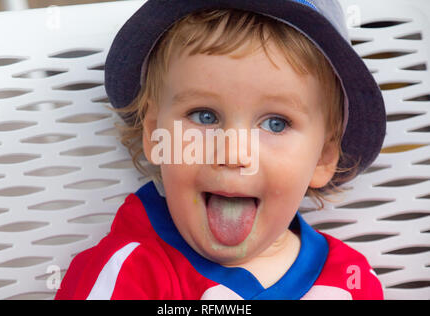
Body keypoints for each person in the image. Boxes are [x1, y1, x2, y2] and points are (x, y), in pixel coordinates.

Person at [55, 0, 386, 300]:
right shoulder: (130, 273)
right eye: (205, 116)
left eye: (275, 123)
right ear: (156, 135)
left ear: (324, 157)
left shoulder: (350, 281)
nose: (233, 154)